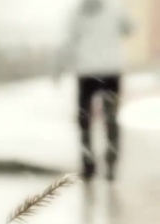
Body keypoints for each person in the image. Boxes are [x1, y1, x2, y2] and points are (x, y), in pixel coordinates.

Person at [56, 0, 133, 181]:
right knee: (109, 118)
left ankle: (89, 163)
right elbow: (130, 29)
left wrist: (59, 67)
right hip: (107, 71)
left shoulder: (79, 12)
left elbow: (69, 42)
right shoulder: (114, 9)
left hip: (89, 72)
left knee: (87, 118)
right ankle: (109, 162)